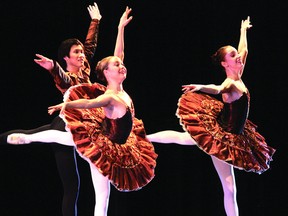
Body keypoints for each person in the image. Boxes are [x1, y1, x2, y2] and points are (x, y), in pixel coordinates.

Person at [8, 7, 158, 216]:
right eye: (116, 66)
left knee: (103, 195)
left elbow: (112, 53)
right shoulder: (106, 94)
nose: (121, 66)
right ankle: (25, 138)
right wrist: (59, 85)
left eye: (120, 65)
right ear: (106, 73)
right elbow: (85, 100)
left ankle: (24, 136)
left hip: (110, 139)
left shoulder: (100, 74)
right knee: (62, 144)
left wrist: (117, 28)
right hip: (88, 128)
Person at [147, 16, 275, 216]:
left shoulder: (238, 75)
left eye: (236, 54)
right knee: (184, 139)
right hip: (222, 136)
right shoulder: (230, 84)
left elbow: (245, 50)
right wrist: (200, 87)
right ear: (225, 64)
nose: (238, 57)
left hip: (234, 135)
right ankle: (145, 137)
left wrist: (243, 31)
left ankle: (146, 137)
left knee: (230, 188)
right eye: (233, 56)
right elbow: (217, 89)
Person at [1, 3, 101, 216]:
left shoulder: (85, 70)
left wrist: (96, 21)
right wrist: (53, 67)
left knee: (31, 135)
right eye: (76, 52)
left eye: (81, 51)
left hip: (76, 127)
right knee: (71, 186)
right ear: (66, 58)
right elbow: (63, 79)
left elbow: (90, 46)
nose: (82, 54)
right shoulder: (69, 78)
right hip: (64, 127)